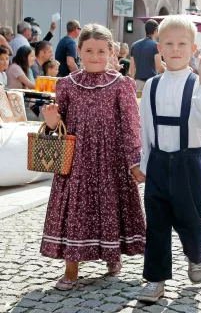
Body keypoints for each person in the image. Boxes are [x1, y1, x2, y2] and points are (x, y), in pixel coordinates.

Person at [40, 23, 146, 291]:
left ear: (111, 52)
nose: (95, 56)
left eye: (101, 51)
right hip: (76, 162)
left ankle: (113, 256)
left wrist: (134, 161)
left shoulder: (122, 85)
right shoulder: (66, 84)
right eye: (89, 51)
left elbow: (131, 125)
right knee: (75, 211)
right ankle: (71, 269)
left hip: (111, 159)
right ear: (79, 51)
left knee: (110, 208)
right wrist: (52, 121)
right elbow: (58, 127)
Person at [137, 15, 201, 302]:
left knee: (191, 220)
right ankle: (155, 279)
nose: (175, 49)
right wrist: (144, 163)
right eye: (169, 43)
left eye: (182, 44)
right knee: (157, 223)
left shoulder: (199, 82)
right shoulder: (151, 85)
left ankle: (195, 254)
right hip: (160, 163)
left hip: (190, 164)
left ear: (192, 48)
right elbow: (146, 128)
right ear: (159, 47)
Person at [130, 19, 164, 92]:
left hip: (138, 82)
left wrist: (132, 82)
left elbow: (132, 68)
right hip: (152, 82)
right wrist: (167, 72)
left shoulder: (134, 45)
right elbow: (159, 67)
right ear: (156, 30)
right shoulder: (156, 46)